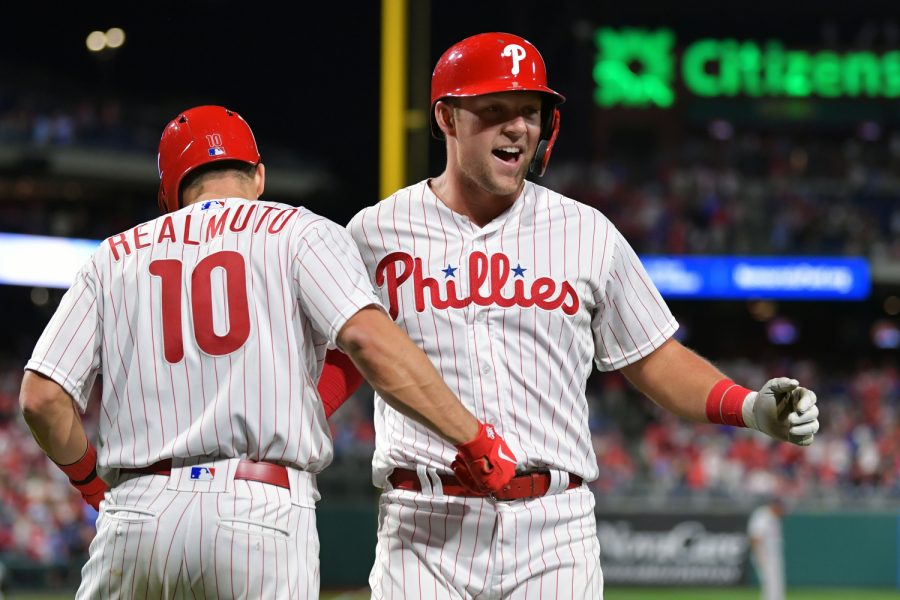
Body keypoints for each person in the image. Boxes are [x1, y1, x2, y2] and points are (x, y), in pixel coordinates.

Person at [319, 33, 821, 599]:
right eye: (494, 110)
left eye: (530, 112)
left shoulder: (587, 233)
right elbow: (345, 361)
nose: (518, 128)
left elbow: (653, 358)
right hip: (423, 527)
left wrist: (751, 408)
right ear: (447, 118)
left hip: (553, 532)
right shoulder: (373, 233)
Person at [18, 105, 518, 599]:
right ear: (258, 176)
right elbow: (367, 341)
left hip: (137, 514)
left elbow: (40, 398)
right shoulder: (300, 231)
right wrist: (473, 439)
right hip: (259, 510)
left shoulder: (112, 256)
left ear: (167, 193)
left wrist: (88, 481)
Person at [748, 498, 786, 600]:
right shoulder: (763, 516)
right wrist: (759, 555)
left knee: (776, 585)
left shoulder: (774, 517)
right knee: (770, 585)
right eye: (781, 508)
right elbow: (755, 537)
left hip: (773, 555)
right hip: (765, 555)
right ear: (775, 506)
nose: (782, 511)